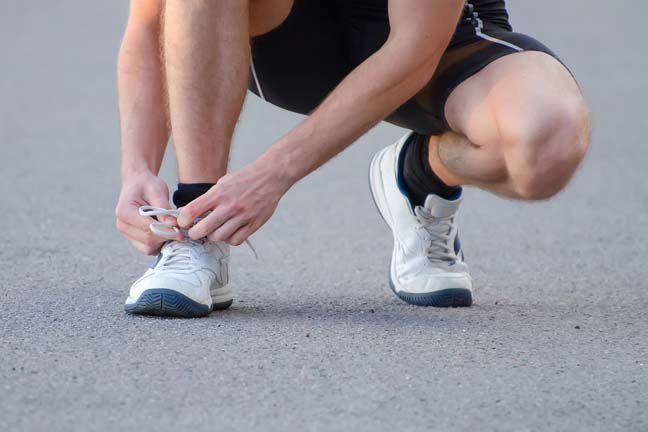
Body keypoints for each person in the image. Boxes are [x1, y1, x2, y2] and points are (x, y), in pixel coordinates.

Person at [115, 0, 590, 317]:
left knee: (547, 143)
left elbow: (413, 52)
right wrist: (137, 169)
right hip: (283, 41)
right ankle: (198, 228)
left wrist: (272, 174)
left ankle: (420, 176)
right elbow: (149, 23)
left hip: (436, 43)